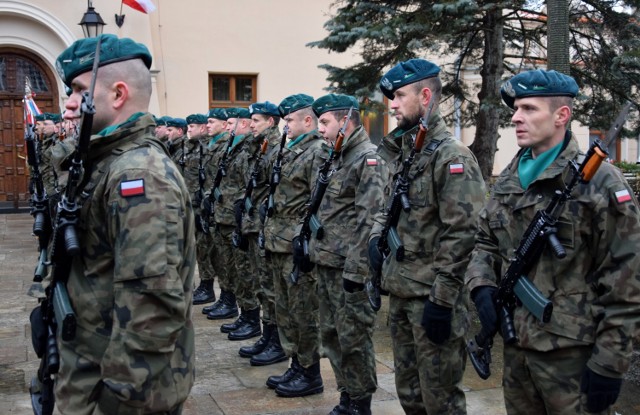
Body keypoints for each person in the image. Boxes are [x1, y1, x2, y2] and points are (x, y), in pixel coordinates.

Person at [465, 69, 640, 415]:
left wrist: (609, 363)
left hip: (572, 359)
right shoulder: (512, 176)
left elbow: (628, 281)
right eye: (516, 108)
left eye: (529, 109)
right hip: (516, 351)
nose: (516, 117)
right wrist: (481, 284)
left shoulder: (599, 183)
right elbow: (485, 240)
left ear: (562, 115)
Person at [53, 34, 195, 414]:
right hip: (92, 368)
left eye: (79, 89)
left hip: (120, 392)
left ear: (118, 94)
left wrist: (116, 399)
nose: (68, 102)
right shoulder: (108, 161)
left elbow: (152, 305)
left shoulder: (138, 174)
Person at [369, 58, 486, 414]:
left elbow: (464, 233)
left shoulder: (452, 156)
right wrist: (376, 240)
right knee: (410, 394)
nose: (392, 104)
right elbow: (387, 207)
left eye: (400, 96)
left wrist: (443, 298)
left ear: (424, 95)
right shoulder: (406, 152)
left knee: (441, 401)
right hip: (403, 294)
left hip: (433, 300)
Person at [310, 94, 388, 414]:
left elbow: (369, 222)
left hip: (349, 270)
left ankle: (360, 401)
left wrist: (357, 274)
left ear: (346, 120)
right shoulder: (336, 156)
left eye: (325, 122)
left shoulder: (367, 159)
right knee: (331, 336)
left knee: (353, 339)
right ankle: (347, 393)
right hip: (327, 262)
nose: (321, 129)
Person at [262, 94, 325, 398]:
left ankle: (310, 372)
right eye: (284, 121)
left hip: (296, 245)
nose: (285, 126)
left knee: (303, 312)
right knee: (285, 309)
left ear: (307, 121)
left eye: (289, 120)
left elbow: (318, 203)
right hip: (278, 240)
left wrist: (306, 243)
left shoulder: (317, 152)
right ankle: (296, 364)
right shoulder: (290, 149)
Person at [238, 101, 288, 366]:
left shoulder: (276, 149)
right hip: (255, 223)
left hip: (266, 226)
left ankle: (276, 341)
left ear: (270, 122)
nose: (251, 125)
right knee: (261, 285)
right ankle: (268, 336)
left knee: (270, 288)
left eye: (256, 120)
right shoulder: (258, 148)